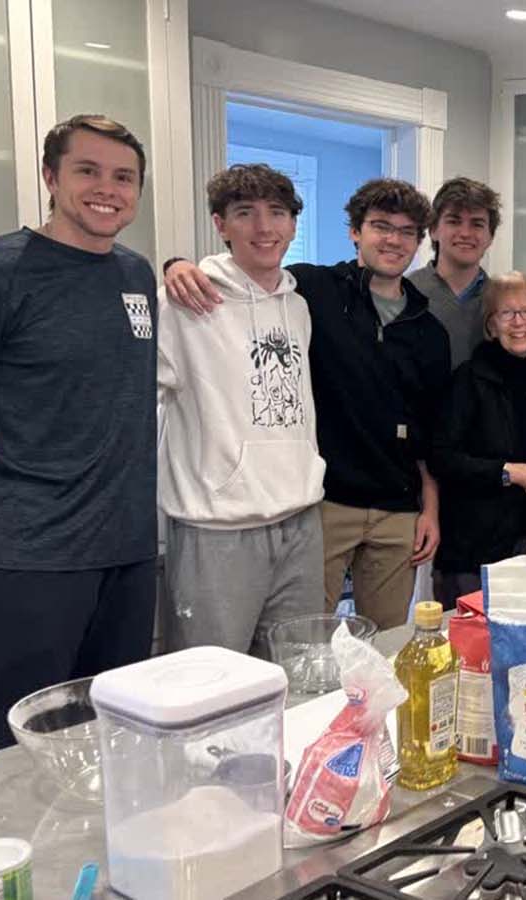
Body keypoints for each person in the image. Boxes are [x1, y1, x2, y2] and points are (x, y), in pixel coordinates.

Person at [0, 115, 158, 756]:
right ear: (52, 177)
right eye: (88, 171)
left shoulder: (136, 276)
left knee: (117, 739)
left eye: (124, 177)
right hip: (32, 553)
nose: (107, 189)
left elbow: (92, 397)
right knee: (11, 749)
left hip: (129, 550)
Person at [163, 179, 450, 629]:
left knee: (385, 642)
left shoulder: (429, 330)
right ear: (355, 231)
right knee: (309, 641)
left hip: (397, 507)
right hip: (324, 505)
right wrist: (175, 265)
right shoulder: (311, 290)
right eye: (381, 226)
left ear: (419, 242)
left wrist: (429, 509)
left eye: (406, 231)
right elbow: (248, 270)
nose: (393, 240)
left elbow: (429, 430)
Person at [158, 164, 326, 654]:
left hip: (300, 519)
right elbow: (127, 397)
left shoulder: (298, 307)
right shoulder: (183, 301)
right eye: (245, 213)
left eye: (277, 212)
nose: (264, 227)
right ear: (221, 224)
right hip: (218, 528)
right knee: (213, 680)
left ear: (293, 224)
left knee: (299, 674)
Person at [431, 272, 526, 607]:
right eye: (507, 313)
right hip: (475, 545)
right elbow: (442, 457)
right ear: (491, 325)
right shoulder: (468, 379)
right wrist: (509, 472)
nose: (518, 323)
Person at [408, 177, 500, 369]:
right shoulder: (405, 294)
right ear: (433, 230)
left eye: (477, 224)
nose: (465, 233)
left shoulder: (502, 300)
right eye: (454, 221)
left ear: (491, 236)